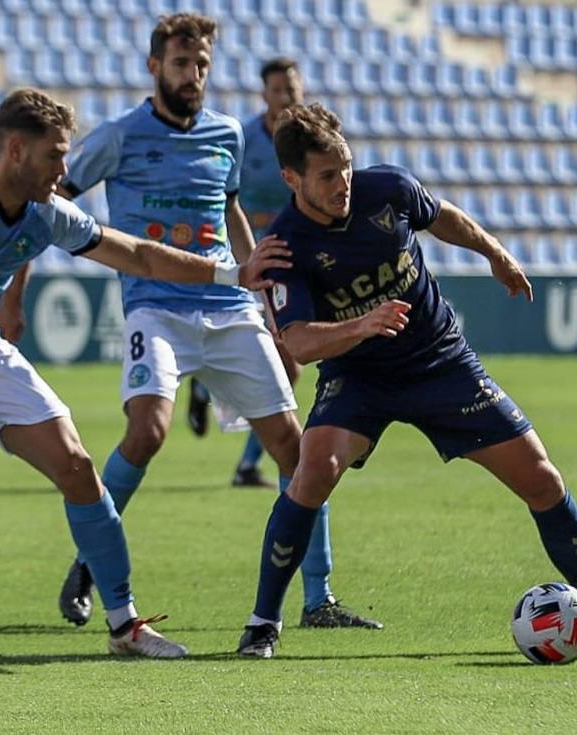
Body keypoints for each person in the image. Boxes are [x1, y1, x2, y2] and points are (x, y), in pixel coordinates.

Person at [0, 87, 287, 659]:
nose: (65, 169)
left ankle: (124, 625)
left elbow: (138, 255)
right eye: (56, 155)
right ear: (17, 152)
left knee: (76, 465)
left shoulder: (48, 211)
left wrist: (232, 275)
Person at [236, 103, 577, 658]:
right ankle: (262, 622)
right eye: (327, 174)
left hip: (441, 361)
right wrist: (362, 325)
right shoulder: (285, 245)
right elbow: (295, 340)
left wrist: (494, 251)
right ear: (292, 178)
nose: (343, 180)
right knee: (312, 470)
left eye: (345, 165)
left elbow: (441, 216)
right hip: (360, 375)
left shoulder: (388, 188)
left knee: (541, 477)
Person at [55, 13, 380, 632]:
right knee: (148, 431)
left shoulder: (227, 133)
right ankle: (89, 564)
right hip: (155, 305)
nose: (193, 74)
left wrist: (256, 283)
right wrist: (30, 276)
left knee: (296, 447)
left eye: (201, 63)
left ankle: (318, 599)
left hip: (229, 306)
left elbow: (231, 211)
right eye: (181, 63)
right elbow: (53, 199)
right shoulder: (119, 136)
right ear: (154, 67)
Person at [187, 57, 305, 489]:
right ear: (265, 96)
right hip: (251, 263)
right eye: (279, 90)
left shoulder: (312, 141)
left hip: (293, 264)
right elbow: (225, 203)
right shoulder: (244, 141)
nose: (287, 96)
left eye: (293, 88)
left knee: (289, 369)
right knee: (288, 369)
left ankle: (208, 389)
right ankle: (246, 460)